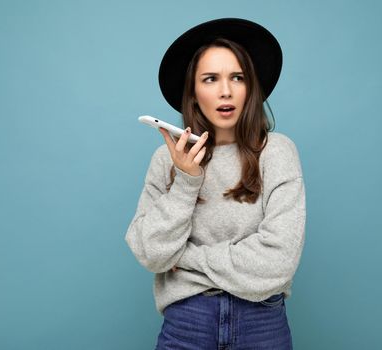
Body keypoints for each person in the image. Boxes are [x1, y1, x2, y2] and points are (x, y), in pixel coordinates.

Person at [125, 17, 306, 349]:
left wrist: (185, 261)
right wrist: (186, 181)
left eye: (237, 77)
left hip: (261, 322)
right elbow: (150, 253)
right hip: (188, 323)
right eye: (210, 79)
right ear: (193, 93)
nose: (226, 91)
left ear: (250, 87)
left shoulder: (277, 152)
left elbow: (277, 262)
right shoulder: (166, 160)